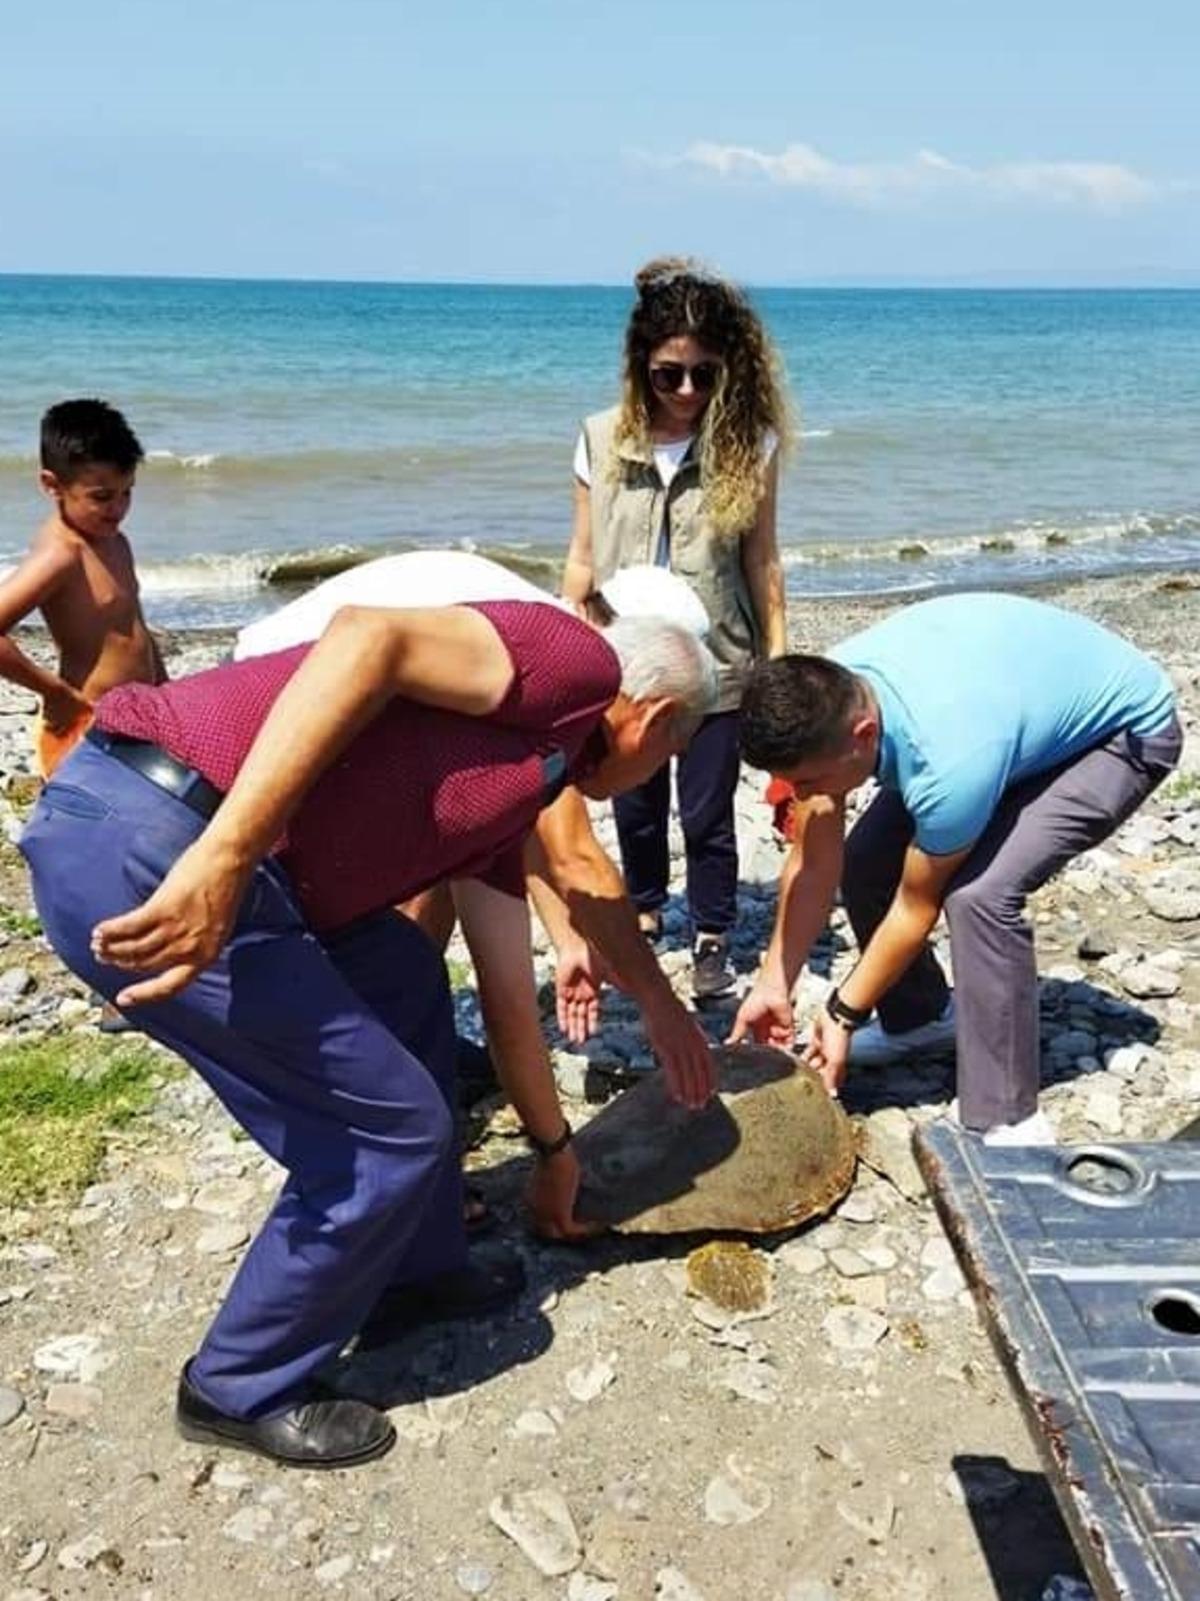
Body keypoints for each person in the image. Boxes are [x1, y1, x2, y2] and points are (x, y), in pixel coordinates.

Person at [21, 596, 719, 1467]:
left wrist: (554, 1149)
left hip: (218, 856)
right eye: (673, 751)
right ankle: (236, 1382)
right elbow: (368, 634)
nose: (659, 771)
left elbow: (510, 999)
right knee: (386, 1132)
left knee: (404, 974)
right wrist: (228, 855)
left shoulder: (525, 783)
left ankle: (414, 1270)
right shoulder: (577, 662)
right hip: (161, 838)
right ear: (652, 715)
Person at [731, 592, 1181, 1144]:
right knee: (868, 859)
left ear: (864, 736)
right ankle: (920, 1019)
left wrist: (843, 1013)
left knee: (981, 894)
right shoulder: (827, 698)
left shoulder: (948, 763)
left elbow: (917, 904)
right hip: (1010, 714)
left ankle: (1010, 1118)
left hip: (1118, 737)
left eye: (808, 782)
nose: (800, 796)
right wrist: (775, 979)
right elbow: (816, 861)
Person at [562, 257, 790, 1003]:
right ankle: (646, 907)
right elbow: (582, 554)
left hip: (719, 659)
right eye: (669, 374)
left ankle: (714, 933)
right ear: (640, 367)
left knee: (707, 807)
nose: (688, 391)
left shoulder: (745, 444)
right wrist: (565, 643)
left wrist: (779, 662)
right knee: (632, 796)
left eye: (704, 374)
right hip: (620, 656)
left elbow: (763, 560)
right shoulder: (599, 439)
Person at [0, 399, 164, 778]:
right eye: (102, 497)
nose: (119, 508)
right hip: (90, 725)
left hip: (142, 715)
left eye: (128, 492)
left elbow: (131, 623)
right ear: (51, 485)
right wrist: (54, 693)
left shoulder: (115, 541)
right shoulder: (62, 554)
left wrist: (165, 686)